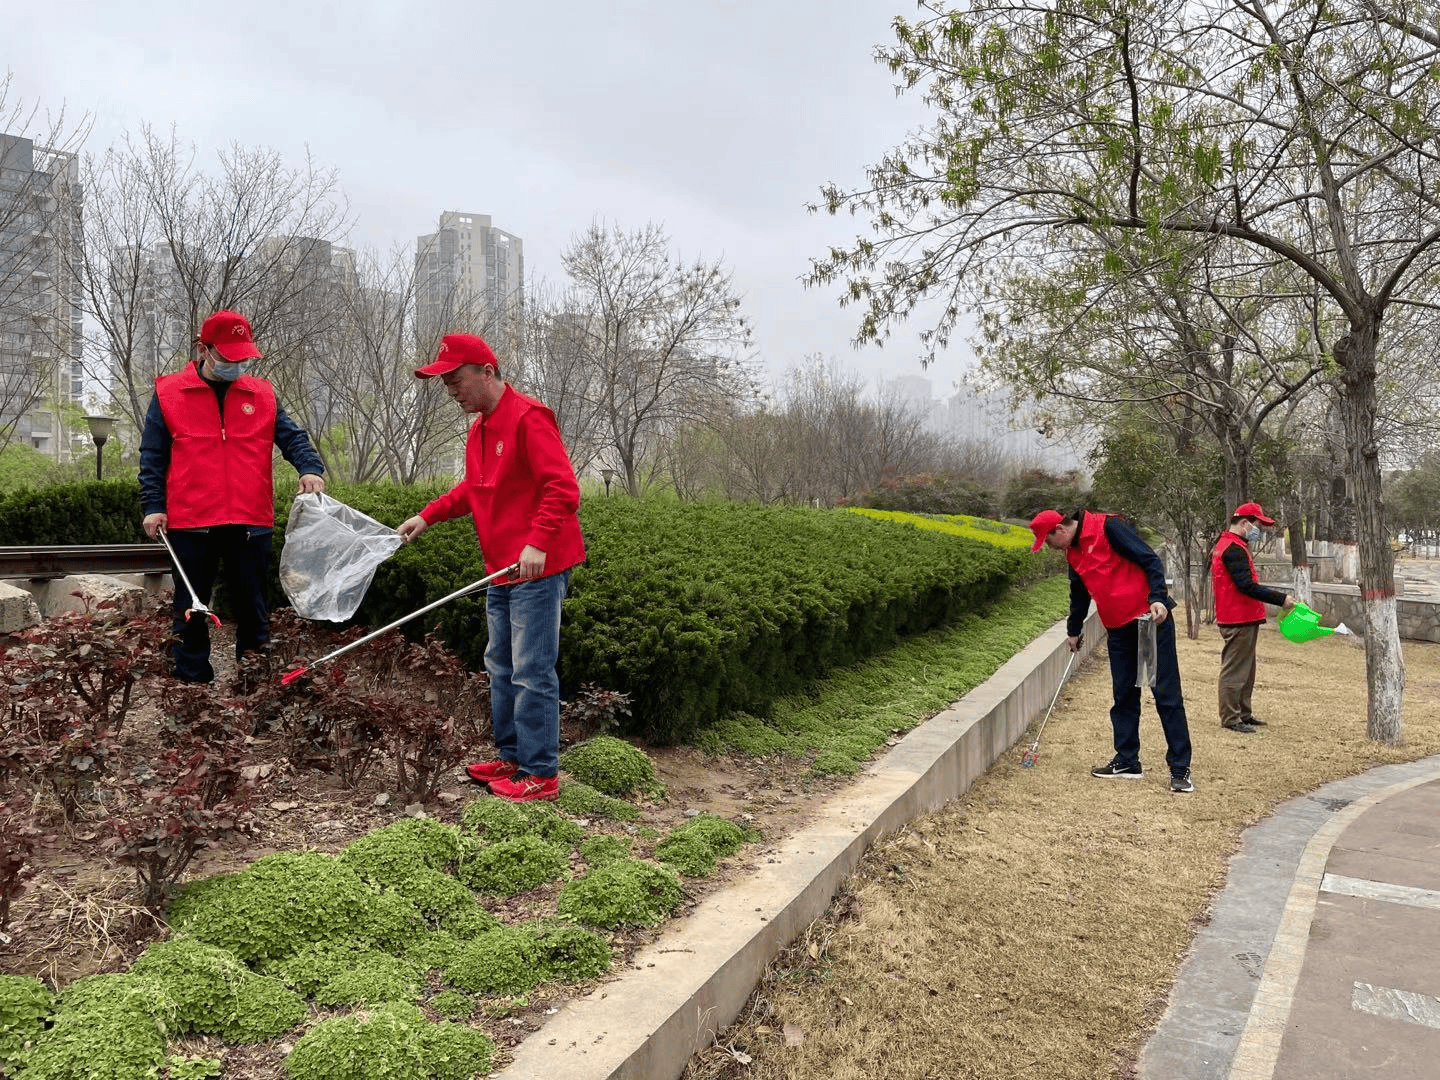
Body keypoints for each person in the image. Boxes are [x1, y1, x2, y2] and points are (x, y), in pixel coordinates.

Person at [397, 333, 586, 804]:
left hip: (537, 569)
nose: (451, 391)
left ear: (486, 371)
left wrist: (537, 542)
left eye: (455, 380)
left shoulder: (529, 418)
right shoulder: (479, 428)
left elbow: (563, 488)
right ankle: (512, 756)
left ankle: (540, 774)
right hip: (501, 569)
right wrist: (427, 515)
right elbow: (475, 489)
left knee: (532, 671)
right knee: (500, 665)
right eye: (445, 384)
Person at [139, 309, 326, 683]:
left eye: (243, 357)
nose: (237, 364)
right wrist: (154, 506)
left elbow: (293, 438)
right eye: (228, 356)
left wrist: (310, 468)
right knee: (190, 608)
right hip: (191, 521)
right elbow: (153, 455)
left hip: (250, 519)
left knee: (254, 609)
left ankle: (254, 685)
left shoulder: (262, 394)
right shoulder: (169, 393)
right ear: (203, 349)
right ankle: (191, 687)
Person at [1029, 508, 1194, 793]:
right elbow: (1079, 592)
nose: (1050, 548)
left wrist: (1157, 597)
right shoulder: (1072, 553)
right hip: (1118, 629)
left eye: (1049, 541)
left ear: (1060, 530)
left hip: (1147, 621)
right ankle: (1128, 761)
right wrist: (1073, 629)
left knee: (1165, 695)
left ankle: (1180, 768)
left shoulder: (1108, 528)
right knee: (1124, 695)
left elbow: (1149, 559)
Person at [1211, 501, 1295, 733]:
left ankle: (1243, 714)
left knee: (1246, 670)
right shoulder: (1233, 549)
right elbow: (1246, 586)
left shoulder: (1230, 545)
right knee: (1235, 670)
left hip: (1241, 617)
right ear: (1244, 523)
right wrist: (1281, 599)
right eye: (1257, 525)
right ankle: (1231, 717)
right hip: (1237, 617)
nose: (1259, 530)